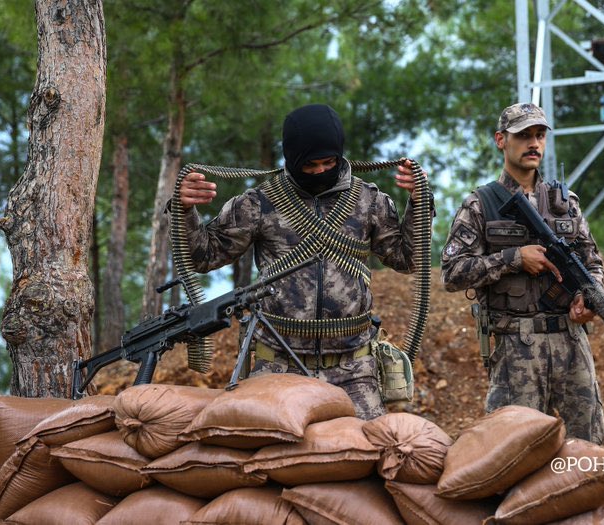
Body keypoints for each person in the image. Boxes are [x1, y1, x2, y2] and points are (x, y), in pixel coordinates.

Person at [178, 103, 427, 420]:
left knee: (366, 447)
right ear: (292, 159)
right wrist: (185, 210)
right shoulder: (259, 203)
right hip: (278, 365)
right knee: (268, 447)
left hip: (353, 369)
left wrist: (419, 203)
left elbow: (407, 259)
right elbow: (204, 257)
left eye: (328, 162)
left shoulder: (369, 201)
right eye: (310, 165)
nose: (320, 171)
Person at [441, 102, 604, 444]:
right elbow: (452, 272)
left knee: (588, 446)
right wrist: (513, 258)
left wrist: (588, 299)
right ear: (501, 140)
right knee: (513, 448)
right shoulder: (480, 204)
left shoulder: (566, 202)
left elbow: (593, 264)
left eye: (540, 135)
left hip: (571, 344)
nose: (534, 143)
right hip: (516, 347)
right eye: (523, 136)